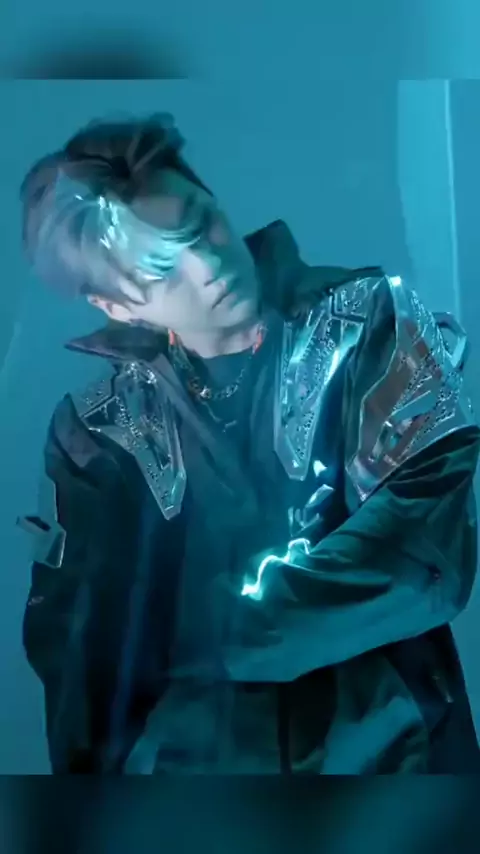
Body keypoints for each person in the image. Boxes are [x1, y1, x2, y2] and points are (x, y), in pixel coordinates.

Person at [18, 113, 480, 775]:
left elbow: (423, 554)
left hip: (392, 766)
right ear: (116, 306)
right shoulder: (95, 433)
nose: (208, 266)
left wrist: (208, 634)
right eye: (162, 266)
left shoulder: (368, 320)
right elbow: (81, 664)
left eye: (201, 223)